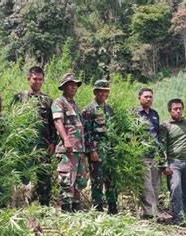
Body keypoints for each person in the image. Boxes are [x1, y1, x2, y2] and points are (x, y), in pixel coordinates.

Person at [12, 66, 56, 206]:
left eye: (40, 79)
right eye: (34, 79)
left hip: (43, 144)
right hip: (24, 144)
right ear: (28, 79)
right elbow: (12, 120)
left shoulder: (47, 100)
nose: (37, 82)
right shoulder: (19, 97)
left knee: (44, 176)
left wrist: (53, 142)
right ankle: (21, 204)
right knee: (23, 175)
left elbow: (52, 123)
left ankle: (45, 206)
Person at [52, 73, 87, 212]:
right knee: (67, 181)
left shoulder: (74, 104)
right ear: (64, 87)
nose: (73, 87)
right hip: (67, 149)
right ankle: (66, 211)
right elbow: (58, 122)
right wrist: (66, 140)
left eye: (75, 85)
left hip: (78, 149)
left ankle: (76, 210)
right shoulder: (59, 102)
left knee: (79, 182)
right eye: (70, 85)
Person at [82, 79, 117, 214]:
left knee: (111, 180)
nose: (103, 94)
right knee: (97, 181)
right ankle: (98, 209)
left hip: (110, 151)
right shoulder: (89, 109)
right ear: (95, 92)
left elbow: (113, 130)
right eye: (101, 91)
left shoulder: (109, 109)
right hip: (97, 151)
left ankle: (113, 208)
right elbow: (86, 131)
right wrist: (92, 150)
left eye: (106, 91)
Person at [160, 98, 186, 226]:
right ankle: (177, 219)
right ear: (170, 111)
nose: (178, 111)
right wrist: (164, 165)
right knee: (176, 190)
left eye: (180, 108)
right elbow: (161, 147)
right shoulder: (166, 126)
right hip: (173, 163)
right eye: (175, 109)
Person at [135, 88, 161, 220]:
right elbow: (131, 135)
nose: (148, 99)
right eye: (146, 97)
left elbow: (157, 134)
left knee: (156, 185)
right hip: (142, 154)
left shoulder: (155, 114)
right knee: (146, 185)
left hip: (155, 155)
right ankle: (150, 214)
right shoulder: (135, 113)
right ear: (139, 98)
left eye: (151, 97)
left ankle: (154, 211)